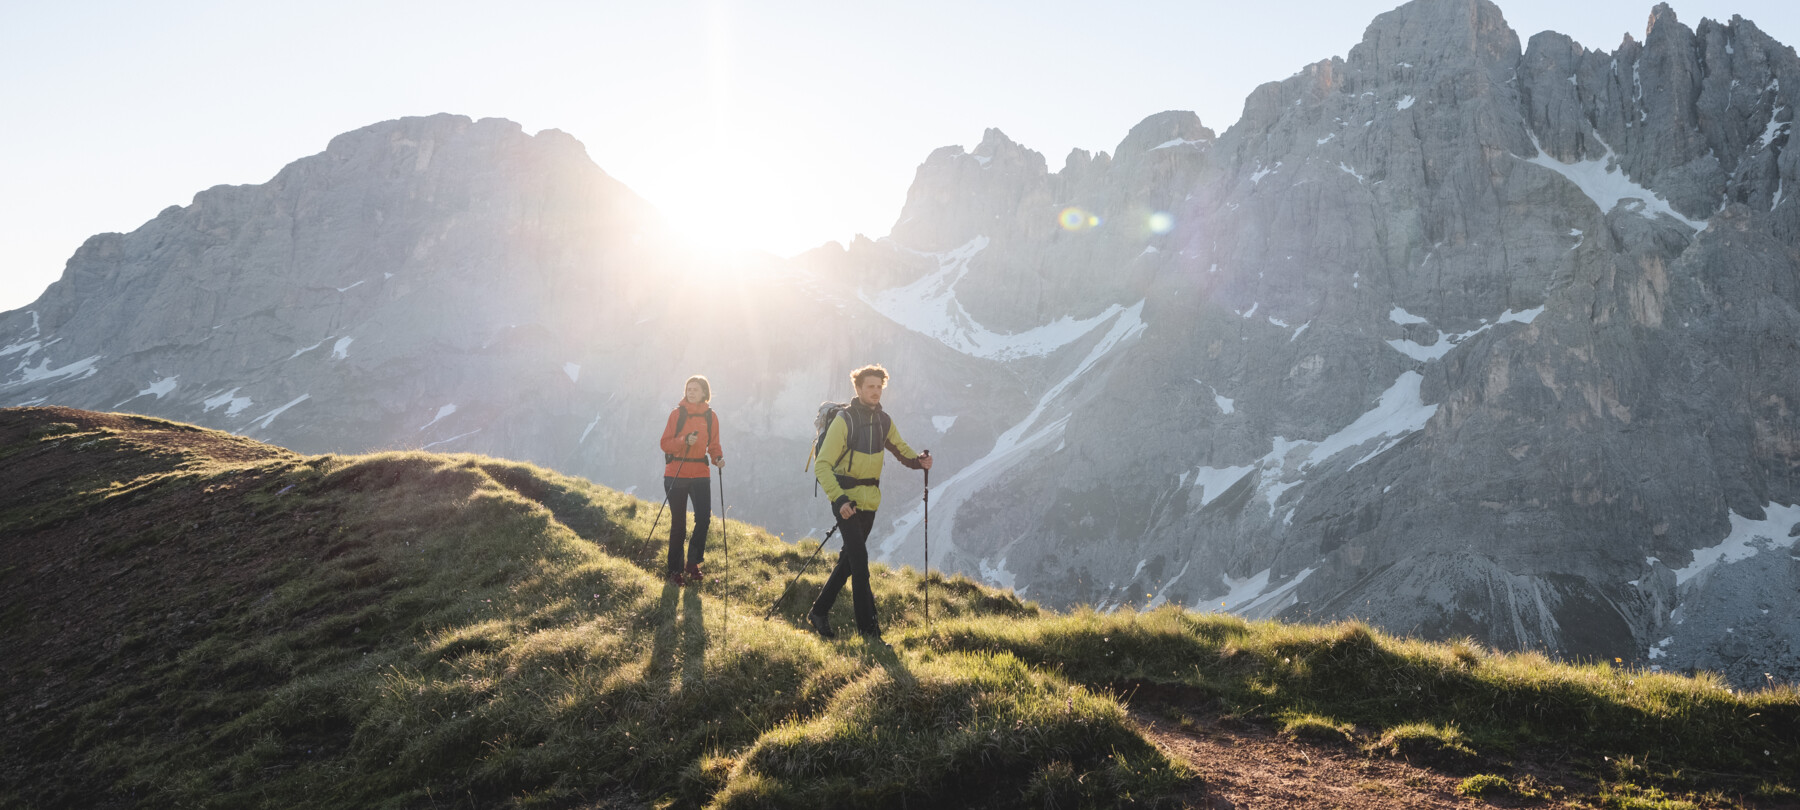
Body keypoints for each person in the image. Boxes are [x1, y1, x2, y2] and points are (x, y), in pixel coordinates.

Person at [808, 364, 932, 641]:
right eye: (870, 387)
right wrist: (839, 499)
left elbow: (901, 449)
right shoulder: (845, 420)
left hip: (870, 502)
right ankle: (870, 634)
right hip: (846, 501)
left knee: (849, 562)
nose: (875, 391)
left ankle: (818, 612)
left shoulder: (884, 421)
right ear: (858, 389)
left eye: (879, 386)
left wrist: (919, 461)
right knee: (861, 565)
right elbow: (822, 465)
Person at [659, 375, 724, 586]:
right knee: (679, 524)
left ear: (705, 392)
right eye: (689, 389)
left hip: (700, 474)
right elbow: (665, 443)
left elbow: (714, 445)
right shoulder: (677, 414)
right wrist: (684, 440)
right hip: (676, 473)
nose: (691, 392)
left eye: (695, 389)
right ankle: (674, 571)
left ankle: (692, 563)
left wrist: (717, 458)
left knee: (703, 519)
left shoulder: (711, 417)